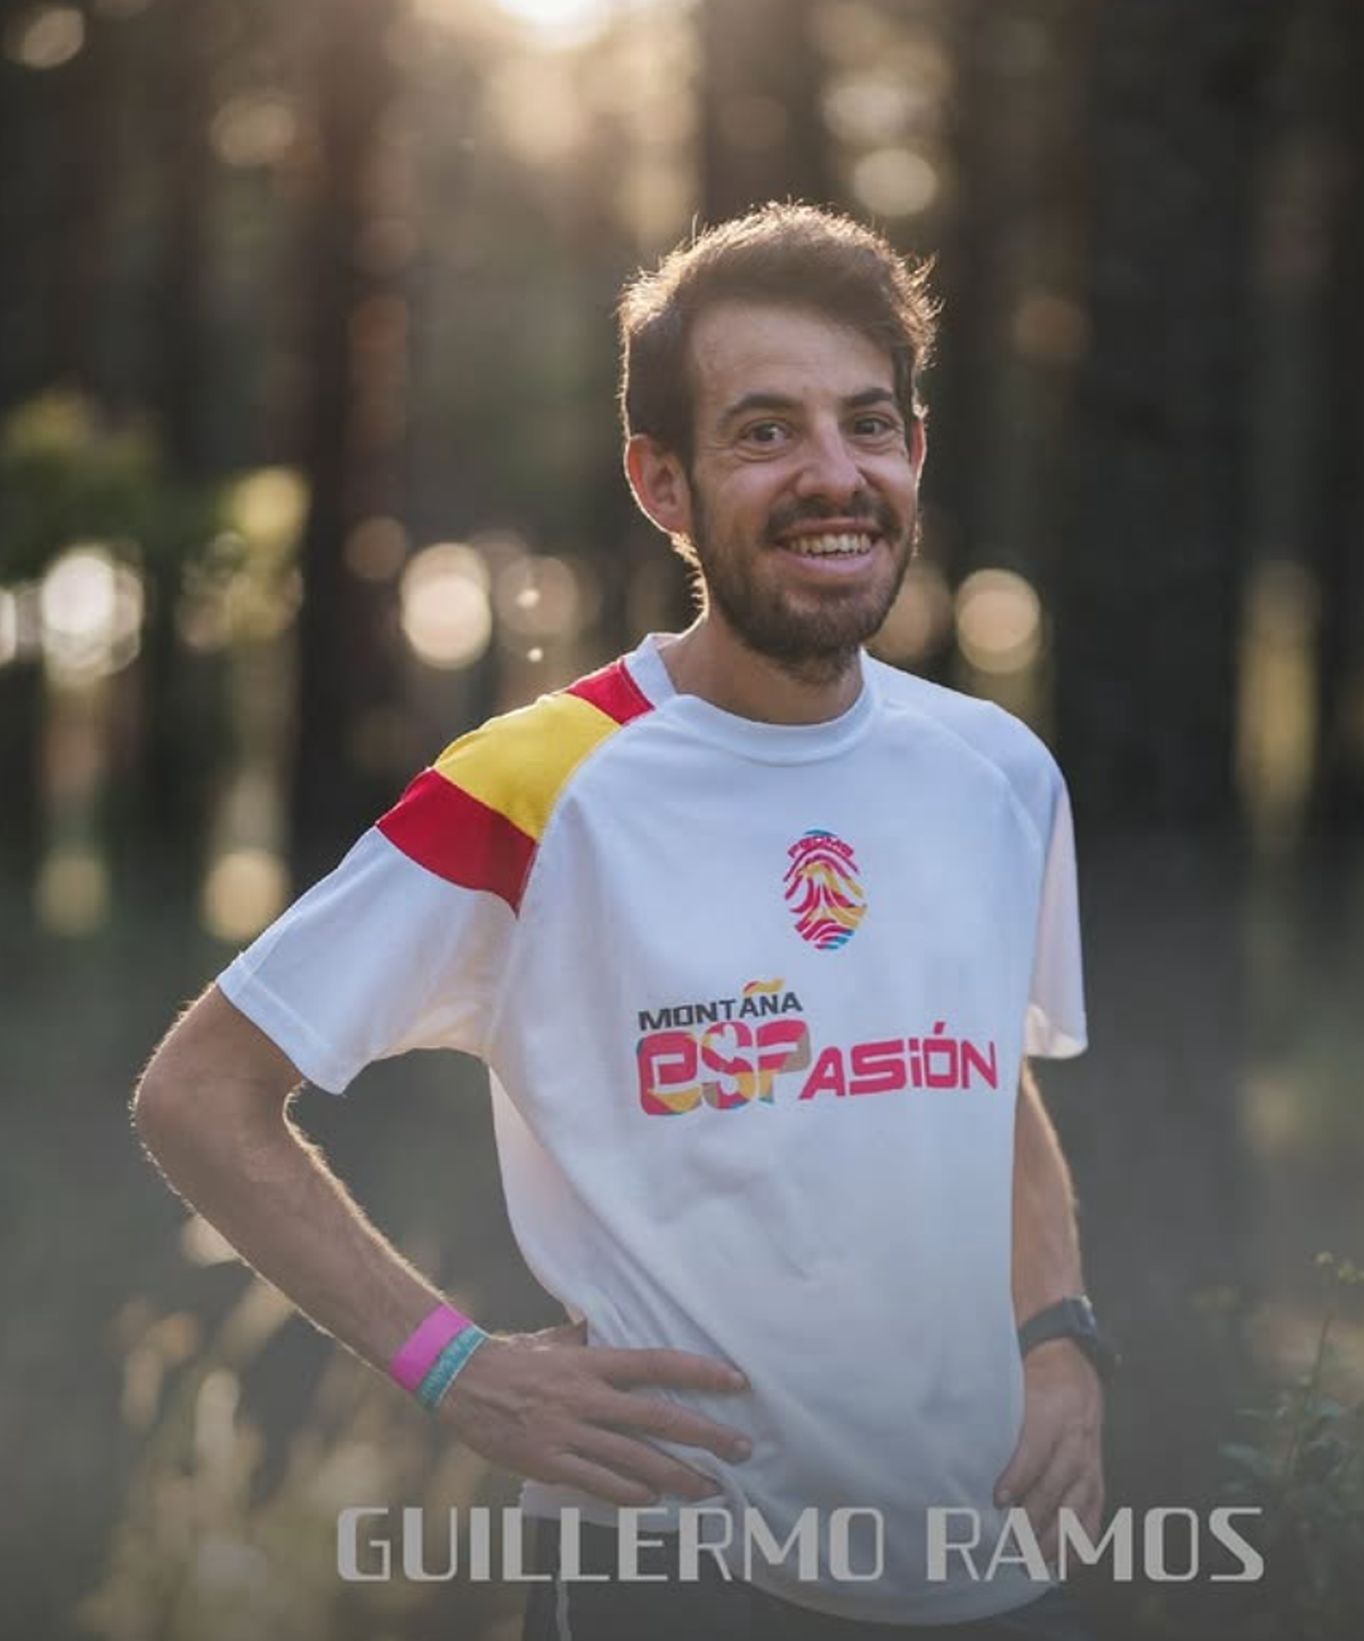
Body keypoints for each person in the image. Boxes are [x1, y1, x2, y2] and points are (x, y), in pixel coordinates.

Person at [134, 204, 1107, 1640]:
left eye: (868, 425)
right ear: (662, 483)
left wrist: (1060, 1335)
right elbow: (201, 1094)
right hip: (676, 1573)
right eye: (765, 431)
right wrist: (455, 1368)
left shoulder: (998, 774)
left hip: (994, 1560)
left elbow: (979, 1071)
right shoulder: (538, 784)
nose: (834, 475)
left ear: (915, 449)